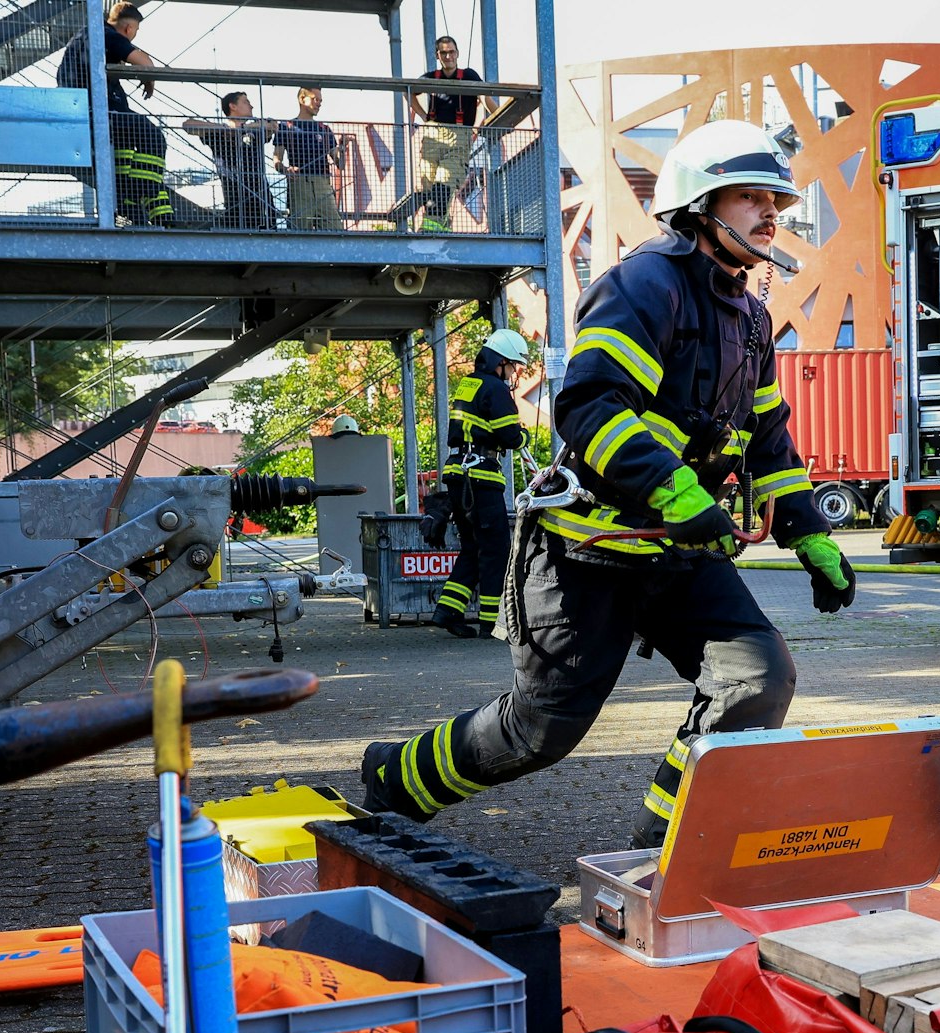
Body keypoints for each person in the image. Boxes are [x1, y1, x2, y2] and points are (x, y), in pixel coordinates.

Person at [361, 121, 855, 849]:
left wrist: (809, 533)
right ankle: (397, 780)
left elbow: (769, 438)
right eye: (750, 197)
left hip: (676, 552)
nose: (770, 212)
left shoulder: (750, 318)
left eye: (773, 198)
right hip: (586, 548)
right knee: (541, 728)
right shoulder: (644, 285)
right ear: (700, 205)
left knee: (757, 677)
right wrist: (679, 495)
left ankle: (666, 856)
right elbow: (591, 405)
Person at [429, 328, 529, 639]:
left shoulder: (469, 383)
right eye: (512, 365)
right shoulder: (496, 388)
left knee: (473, 548)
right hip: (481, 480)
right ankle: (492, 623)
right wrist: (523, 435)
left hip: (460, 476)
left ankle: (447, 611)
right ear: (500, 362)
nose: (513, 373)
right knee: (496, 550)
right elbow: (510, 436)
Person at [56, 3, 171, 227]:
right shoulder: (105, 35)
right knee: (154, 138)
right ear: (128, 28)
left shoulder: (86, 38)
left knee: (124, 147)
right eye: (136, 30)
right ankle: (136, 195)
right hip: (99, 112)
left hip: (86, 110)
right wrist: (149, 78)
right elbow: (145, 62)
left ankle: (135, 208)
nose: (134, 35)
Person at [411, 36, 489, 233]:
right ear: (438, 55)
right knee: (428, 182)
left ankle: (431, 226)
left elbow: (485, 97)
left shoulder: (469, 76)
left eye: (451, 52)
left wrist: (497, 120)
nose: (448, 56)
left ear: (457, 53)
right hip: (432, 135)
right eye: (444, 53)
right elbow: (408, 90)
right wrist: (423, 115)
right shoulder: (431, 77)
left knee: (445, 178)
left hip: (458, 136)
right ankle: (441, 224)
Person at [183, 92, 277, 230]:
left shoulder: (255, 129)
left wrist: (241, 129)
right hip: (233, 194)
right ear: (232, 106)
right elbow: (188, 125)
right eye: (245, 102)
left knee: (268, 229)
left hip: (260, 195)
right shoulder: (218, 132)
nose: (251, 106)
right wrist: (224, 128)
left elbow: (271, 125)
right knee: (236, 230)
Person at [275, 88, 342, 231]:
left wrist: (342, 148)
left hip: (323, 184)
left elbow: (339, 163)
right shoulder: (286, 127)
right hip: (299, 183)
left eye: (320, 100)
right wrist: (286, 170)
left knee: (335, 229)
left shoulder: (324, 129)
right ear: (302, 99)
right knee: (299, 229)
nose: (318, 104)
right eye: (315, 99)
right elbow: (277, 160)